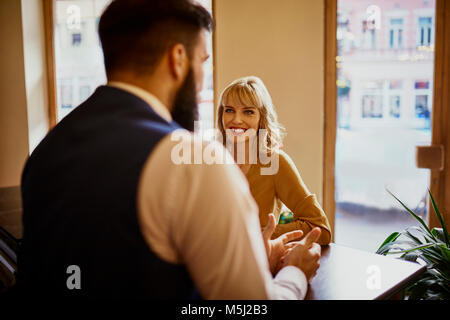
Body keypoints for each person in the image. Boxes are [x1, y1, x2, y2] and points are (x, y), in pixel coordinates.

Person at [17, 0, 321, 299]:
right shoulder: (195, 162)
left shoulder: (47, 149)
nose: (202, 82)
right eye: (202, 62)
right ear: (177, 59)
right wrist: (294, 272)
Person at [217, 76, 332, 244]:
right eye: (229, 110)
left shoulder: (275, 162)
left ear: (261, 118)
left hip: (259, 265)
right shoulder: (212, 159)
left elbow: (320, 228)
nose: (236, 120)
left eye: (248, 112)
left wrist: (260, 235)